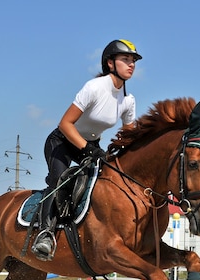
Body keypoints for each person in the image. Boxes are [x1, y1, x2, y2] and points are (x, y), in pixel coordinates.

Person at [32, 39, 142, 261]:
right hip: (62, 141)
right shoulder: (94, 88)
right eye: (126, 59)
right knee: (59, 180)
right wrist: (87, 149)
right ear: (110, 64)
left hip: (91, 147)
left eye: (133, 61)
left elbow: (130, 137)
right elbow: (65, 123)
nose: (131, 64)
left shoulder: (128, 101)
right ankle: (45, 234)